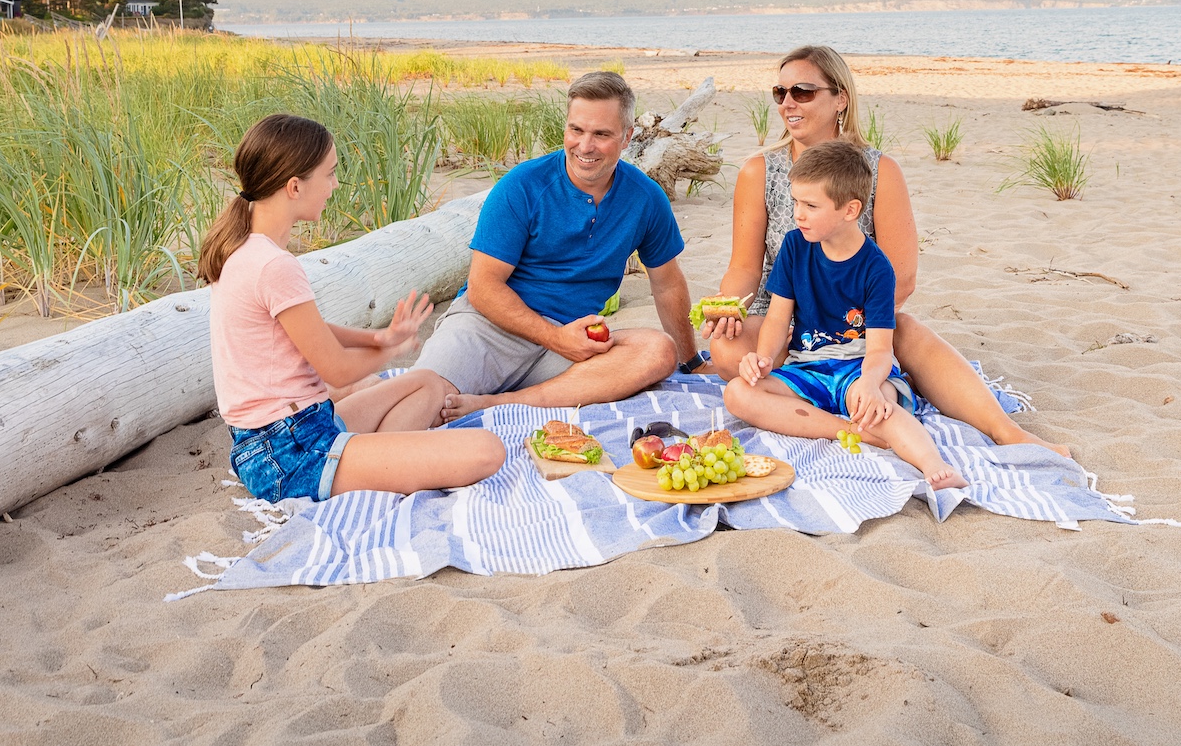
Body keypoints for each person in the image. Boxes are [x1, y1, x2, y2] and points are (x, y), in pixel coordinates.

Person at [709, 45, 1069, 456]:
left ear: (840, 97)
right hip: (783, 316)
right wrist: (728, 308)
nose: (788, 102)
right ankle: (852, 409)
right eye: (780, 92)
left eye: (803, 91)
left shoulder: (880, 171)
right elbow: (744, 269)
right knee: (726, 348)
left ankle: (1006, 431)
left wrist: (845, 327)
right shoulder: (760, 170)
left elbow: (903, 276)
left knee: (909, 331)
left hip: (859, 316)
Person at [198, 113, 505, 502]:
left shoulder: (246, 247)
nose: (335, 185)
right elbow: (338, 371)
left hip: (297, 429)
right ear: (294, 186)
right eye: (329, 174)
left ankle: (379, 461)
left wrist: (378, 335)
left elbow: (308, 328)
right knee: (487, 451)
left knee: (426, 382)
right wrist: (391, 349)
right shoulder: (272, 265)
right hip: (288, 452)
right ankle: (378, 464)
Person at [426, 71, 697, 420]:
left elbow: (667, 283)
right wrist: (556, 337)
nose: (585, 146)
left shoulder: (645, 198)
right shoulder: (522, 185)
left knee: (659, 351)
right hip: (490, 328)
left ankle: (503, 404)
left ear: (627, 136)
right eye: (576, 130)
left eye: (601, 134)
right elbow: (482, 288)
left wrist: (691, 361)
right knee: (429, 403)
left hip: (573, 345)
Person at [724, 141, 966, 490]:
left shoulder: (876, 267)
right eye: (795, 203)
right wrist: (762, 357)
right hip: (807, 367)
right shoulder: (794, 246)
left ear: (850, 210)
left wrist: (869, 383)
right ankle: (848, 431)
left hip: (858, 366)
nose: (798, 215)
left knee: (877, 406)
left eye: (810, 205)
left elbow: (881, 348)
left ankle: (933, 464)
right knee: (737, 393)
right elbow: (778, 319)